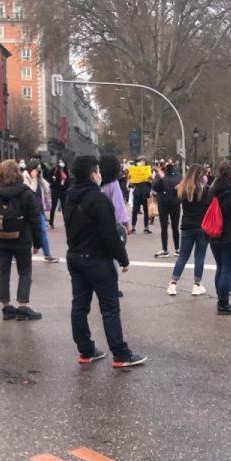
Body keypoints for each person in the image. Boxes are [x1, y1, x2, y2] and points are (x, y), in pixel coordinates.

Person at [64, 155, 147, 368]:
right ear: (93, 174)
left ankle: (86, 350)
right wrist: (123, 259)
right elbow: (109, 234)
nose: (100, 174)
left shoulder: (70, 196)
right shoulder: (99, 199)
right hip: (97, 259)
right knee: (109, 307)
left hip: (74, 256)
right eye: (98, 171)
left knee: (79, 306)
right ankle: (120, 354)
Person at [0, 160, 44, 320]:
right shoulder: (26, 193)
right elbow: (35, 219)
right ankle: (22, 305)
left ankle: (6, 307)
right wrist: (38, 243)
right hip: (21, 238)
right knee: (25, 271)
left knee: (3, 271)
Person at [167, 164, 210, 296]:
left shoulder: (183, 189)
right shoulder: (205, 190)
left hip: (187, 225)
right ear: (201, 175)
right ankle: (196, 285)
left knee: (183, 257)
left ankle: (173, 284)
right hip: (202, 226)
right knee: (200, 256)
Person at [208, 161, 231, 315]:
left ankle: (220, 298)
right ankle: (223, 304)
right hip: (230, 237)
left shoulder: (211, 191)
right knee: (227, 270)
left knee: (220, 267)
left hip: (214, 233)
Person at [23, 159, 60, 263]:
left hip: (38, 209)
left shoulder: (38, 177)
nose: (37, 172)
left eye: (38, 170)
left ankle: (47, 254)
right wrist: (34, 179)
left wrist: (41, 179)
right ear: (30, 169)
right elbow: (31, 190)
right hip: (28, 210)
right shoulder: (24, 177)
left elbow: (47, 189)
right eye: (36, 170)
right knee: (27, 233)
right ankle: (24, 254)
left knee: (43, 231)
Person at [153, 162, 182, 258]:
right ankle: (165, 249)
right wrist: (161, 178)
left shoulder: (178, 176)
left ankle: (177, 248)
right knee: (164, 227)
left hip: (174, 203)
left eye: (171, 163)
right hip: (163, 204)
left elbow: (182, 187)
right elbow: (155, 188)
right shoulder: (160, 176)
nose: (169, 165)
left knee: (175, 226)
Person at [99, 155, 131, 230]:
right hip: (109, 220)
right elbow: (118, 205)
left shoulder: (96, 182)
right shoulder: (113, 183)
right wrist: (126, 223)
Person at [130, 160, 152, 234]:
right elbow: (131, 183)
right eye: (140, 162)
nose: (141, 164)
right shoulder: (136, 172)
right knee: (135, 211)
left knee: (146, 211)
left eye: (143, 163)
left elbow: (150, 183)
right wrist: (130, 178)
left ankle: (146, 227)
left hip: (145, 193)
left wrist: (150, 178)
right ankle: (133, 227)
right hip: (137, 193)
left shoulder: (148, 172)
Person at [49, 159, 69, 229]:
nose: (61, 163)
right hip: (55, 190)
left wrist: (65, 186)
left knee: (64, 207)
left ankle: (66, 222)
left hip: (63, 190)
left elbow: (68, 180)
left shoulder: (66, 170)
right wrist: (53, 181)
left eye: (62, 162)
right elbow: (49, 177)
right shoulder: (55, 169)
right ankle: (51, 222)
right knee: (53, 206)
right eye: (60, 162)